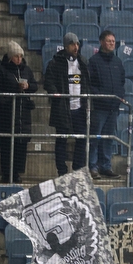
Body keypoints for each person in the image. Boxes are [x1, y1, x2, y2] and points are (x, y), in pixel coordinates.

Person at [43, 32, 90, 176]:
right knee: (61, 141)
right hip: (63, 109)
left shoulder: (83, 62)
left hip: (79, 109)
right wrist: (55, 93)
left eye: (77, 44)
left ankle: (77, 169)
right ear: (66, 46)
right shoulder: (55, 62)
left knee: (81, 140)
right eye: (72, 44)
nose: (75, 47)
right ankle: (62, 171)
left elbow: (88, 83)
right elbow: (48, 82)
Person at [0, 41, 37, 183]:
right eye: (16, 56)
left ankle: (17, 173)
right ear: (10, 56)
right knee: (7, 146)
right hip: (7, 115)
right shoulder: (1, 70)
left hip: (23, 115)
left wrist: (27, 86)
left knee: (21, 146)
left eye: (21, 56)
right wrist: (7, 101)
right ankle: (6, 173)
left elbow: (34, 86)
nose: (19, 59)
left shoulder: (26, 70)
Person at [86, 30, 124, 179]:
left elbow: (122, 82)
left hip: (113, 108)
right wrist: (101, 97)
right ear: (101, 42)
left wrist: (119, 97)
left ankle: (106, 167)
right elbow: (90, 84)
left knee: (108, 138)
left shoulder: (118, 62)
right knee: (95, 138)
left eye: (113, 41)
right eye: (109, 41)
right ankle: (93, 167)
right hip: (99, 107)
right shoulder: (94, 61)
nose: (112, 43)